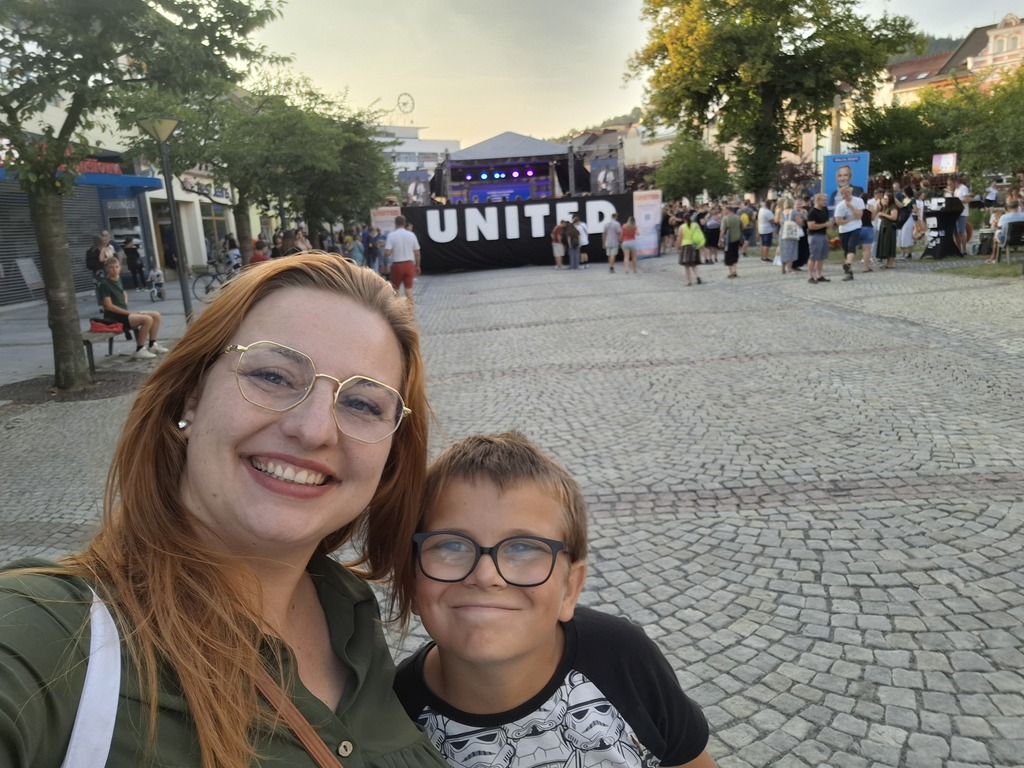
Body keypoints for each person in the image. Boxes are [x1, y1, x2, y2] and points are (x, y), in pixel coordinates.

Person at [0, 253, 449, 768]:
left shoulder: (350, 615)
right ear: (192, 395)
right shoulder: (50, 638)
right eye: (275, 376)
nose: (314, 430)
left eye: (364, 404)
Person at [393, 431, 717, 768]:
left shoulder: (622, 658)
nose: (486, 576)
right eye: (451, 545)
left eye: (523, 548)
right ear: (413, 580)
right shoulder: (394, 714)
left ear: (570, 589)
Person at [97, 257, 167, 359]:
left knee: (156, 315)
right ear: (107, 269)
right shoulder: (105, 284)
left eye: (116, 267)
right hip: (114, 317)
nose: (114, 270)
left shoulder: (118, 279)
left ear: (120, 267)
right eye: (111, 268)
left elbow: (123, 292)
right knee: (147, 319)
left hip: (124, 313)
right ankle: (140, 349)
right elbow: (108, 306)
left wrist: (125, 301)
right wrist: (128, 312)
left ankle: (152, 345)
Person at [385, 215, 422, 304]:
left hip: (397, 265)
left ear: (395, 224)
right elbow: (417, 253)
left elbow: (387, 252)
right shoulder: (411, 235)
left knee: (395, 290)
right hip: (409, 264)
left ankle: (398, 312)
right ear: (404, 223)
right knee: (409, 289)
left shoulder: (391, 235)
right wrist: (417, 266)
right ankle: (410, 312)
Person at [834, 185, 865, 281]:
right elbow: (838, 221)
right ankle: (849, 272)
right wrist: (850, 219)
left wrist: (851, 207)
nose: (847, 195)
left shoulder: (859, 201)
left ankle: (848, 265)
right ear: (842, 195)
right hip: (844, 230)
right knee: (846, 250)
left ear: (851, 192)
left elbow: (859, 215)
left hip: (855, 227)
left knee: (851, 246)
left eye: (848, 193)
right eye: (844, 194)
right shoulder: (840, 206)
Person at [805, 193, 832, 284]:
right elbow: (811, 226)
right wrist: (825, 224)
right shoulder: (812, 212)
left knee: (821, 257)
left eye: (825, 200)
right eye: (823, 200)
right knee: (813, 256)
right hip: (814, 236)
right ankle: (810, 276)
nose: (825, 202)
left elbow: (827, 221)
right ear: (817, 201)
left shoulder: (824, 210)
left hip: (823, 235)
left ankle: (819, 275)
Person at [992, 199, 1024, 263]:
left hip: (1007, 239)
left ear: (1008, 208)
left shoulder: (1004, 217)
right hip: (1021, 239)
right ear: (1018, 207)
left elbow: (998, 226)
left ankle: (993, 258)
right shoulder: (1023, 216)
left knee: (996, 235)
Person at [875, 192, 900, 270]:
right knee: (885, 243)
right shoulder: (885, 207)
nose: (884, 200)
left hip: (890, 227)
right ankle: (888, 262)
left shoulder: (893, 207)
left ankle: (890, 263)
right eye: (884, 199)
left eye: (886, 199)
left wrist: (883, 214)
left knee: (889, 244)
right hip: (884, 226)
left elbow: (894, 217)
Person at [678, 213, 704, 286]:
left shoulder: (682, 227)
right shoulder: (696, 225)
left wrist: (678, 246)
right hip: (694, 245)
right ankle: (697, 276)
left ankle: (688, 281)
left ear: (684, 219)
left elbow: (679, 238)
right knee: (694, 264)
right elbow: (699, 234)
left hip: (686, 245)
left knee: (686, 265)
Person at [719, 204, 743, 279]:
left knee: (728, 256)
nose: (723, 211)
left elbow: (722, 231)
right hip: (737, 238)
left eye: (724, 210)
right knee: (735, 255)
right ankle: (735, 270)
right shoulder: (738, 217)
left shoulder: (725, 219)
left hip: (728, 240)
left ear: (728, 210)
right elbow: (742, 226)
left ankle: (731, 272)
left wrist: (720, 240)